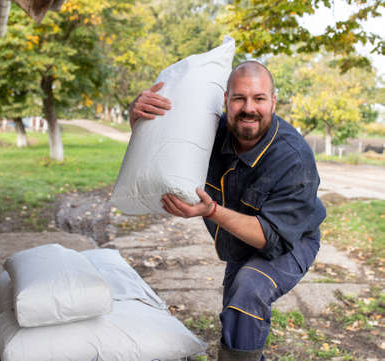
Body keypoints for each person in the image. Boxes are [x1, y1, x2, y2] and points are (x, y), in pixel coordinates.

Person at [129, 61, 326, 361]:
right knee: (236, 319)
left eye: (259, 98)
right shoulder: (209, 131)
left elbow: (269, 238)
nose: (249, 107)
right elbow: (164, 143)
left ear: (273, 102)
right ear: (226, 100)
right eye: (239, 98)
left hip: (291, 239)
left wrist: (212, 212)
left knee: (248, 291)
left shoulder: (294, 158)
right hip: (238, 239)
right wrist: (140, 118)